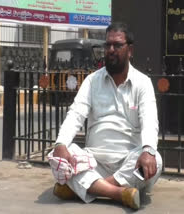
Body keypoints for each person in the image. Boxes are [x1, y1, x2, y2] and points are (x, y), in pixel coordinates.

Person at [51, 22, 162, 210]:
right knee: (57, 155)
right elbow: (76, 113)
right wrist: (61, 144)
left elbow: (150, 120)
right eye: (108, 45)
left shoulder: (143, 83)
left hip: (128, 162)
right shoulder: (92, 81)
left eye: (117, 45)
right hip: (94, 161)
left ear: (130, 50)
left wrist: (148, 150)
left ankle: (90, 187)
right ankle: (118, 193)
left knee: (155, 159)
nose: (111, 50)